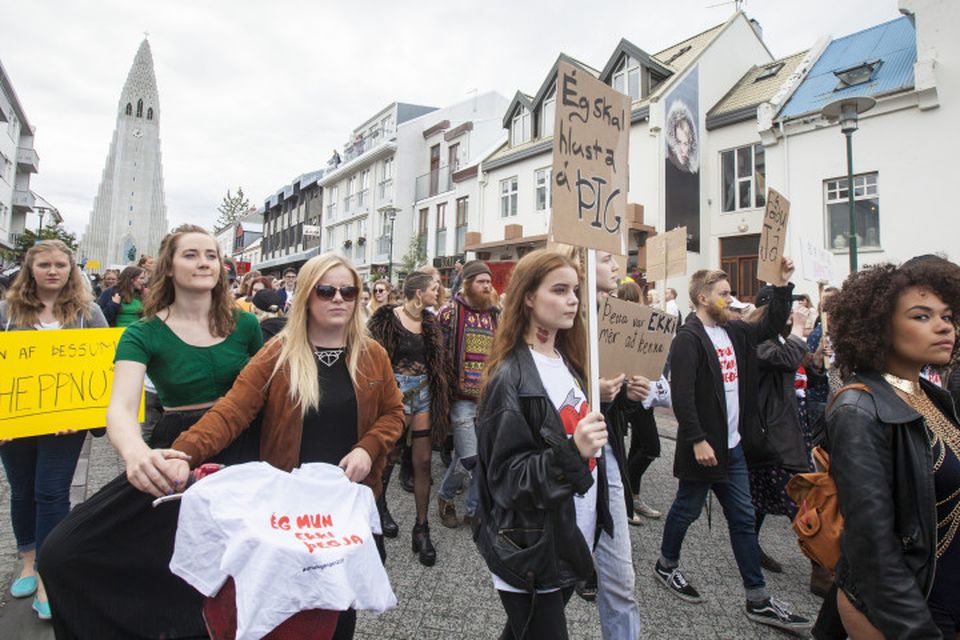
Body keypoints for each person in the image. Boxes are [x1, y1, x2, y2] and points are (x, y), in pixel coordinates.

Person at [38, 224, 264, 639]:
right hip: (179, 451)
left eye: (211, 255)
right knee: (62, 550)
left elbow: (273, 388)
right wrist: (136, 455)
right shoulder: (142, 332)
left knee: (236, 563)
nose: (203, 263)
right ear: (169, 267)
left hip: (245, 446)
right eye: (191, 255)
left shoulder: (246, 325)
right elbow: (121, 408)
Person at [166, 252, 405, 640]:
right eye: (326, 290)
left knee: (342, 607)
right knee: (292, 607)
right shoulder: (279, 353)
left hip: (349, 504)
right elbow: (231, 411)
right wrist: (183, 452)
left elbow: (394, 413)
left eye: (348, 290)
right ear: (308, 296)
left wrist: (369, 447)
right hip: (291, 511)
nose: (339, 299)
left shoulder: (373, 355)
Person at [655, 260, 813, 633]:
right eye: (724, 294)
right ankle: (666, 564)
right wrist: (696, 440)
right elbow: (683, 395)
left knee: (742, 518)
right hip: (705, 448)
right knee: (686, 509)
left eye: (730, 293)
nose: (731, 299)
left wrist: (781, 284)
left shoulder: (736, 333)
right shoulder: (688, 339)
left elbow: (773, 324)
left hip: (734, 448)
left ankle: (757, 598)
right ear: (701, 298)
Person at [825, 260, 960, 638]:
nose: (944, 325)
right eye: (922, 316)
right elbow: (872, 548)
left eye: (947, 315)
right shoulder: (859, 409)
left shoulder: (933, 396)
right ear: (879, 325)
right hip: (911, 607)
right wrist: (917, 630)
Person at [474, 249, 604, 639]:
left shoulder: (571, 362)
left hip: (569, 538)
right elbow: (508, 481)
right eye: (559, 290)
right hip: (531, 546)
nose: (573, 300)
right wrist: (574, 451)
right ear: (528, 297)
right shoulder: (509, 378)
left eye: (576, 291)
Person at [0, 240, 108, 620]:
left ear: (71, 269)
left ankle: (49, 573)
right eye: (44, 264)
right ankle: (28, 560)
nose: (52, 270)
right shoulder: (7, 311)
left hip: (65, 423)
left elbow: (102, 366)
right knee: (22, 490)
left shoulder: (88, 312)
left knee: (52, 491)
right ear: (29, 269)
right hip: (14, 422)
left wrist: (81, 411)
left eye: (60, 264)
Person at [368, 272, 450, 566]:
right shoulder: (385, 319)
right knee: (388, 456)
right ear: (418, 293)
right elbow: (370, 358)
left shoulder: (431, 323)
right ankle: (379, 508)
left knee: (423, 461)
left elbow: (438, 363)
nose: (438, 292)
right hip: (394, 391)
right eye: (434, 288)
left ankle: (421, 527)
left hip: (424, 392)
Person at [588, 250, 645, 638]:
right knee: (547, 588)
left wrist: (628, 393)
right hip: (565, 459)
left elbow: (613, 397)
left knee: (622, 583)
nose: (615, 267)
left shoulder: (614, 318)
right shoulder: (555, 322)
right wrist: (597, 393)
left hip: (605, 455)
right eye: (606, 257)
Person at [749, 294, 813, 573]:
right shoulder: (757, 339)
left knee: (759, 497)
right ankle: (822, 565)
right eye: (786, 308)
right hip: (772, 432)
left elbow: (799, 364)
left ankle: (749, 544)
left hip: (786, 426)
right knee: (799, 498)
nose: (791, 312)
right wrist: (799, 329)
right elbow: (786, 361)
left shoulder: (779, 338)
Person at [435, 260, 498, 528]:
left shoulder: (495, 315)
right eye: (481, 282)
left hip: (487, 398)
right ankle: (446, 496)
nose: (487, 286)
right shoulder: (448, 313)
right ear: (468, 283)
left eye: (488, 282)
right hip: (459, 398)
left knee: (478, 455)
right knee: (470, 458)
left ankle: (473, 509)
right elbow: (437, 356)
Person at [616, 280, 663, 521]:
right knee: (650, 447)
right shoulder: (622, 326)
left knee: (638, 446)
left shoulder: (641, 324)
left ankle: (632, 496)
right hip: (631, 392)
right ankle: (626, 496)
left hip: (640, 391)